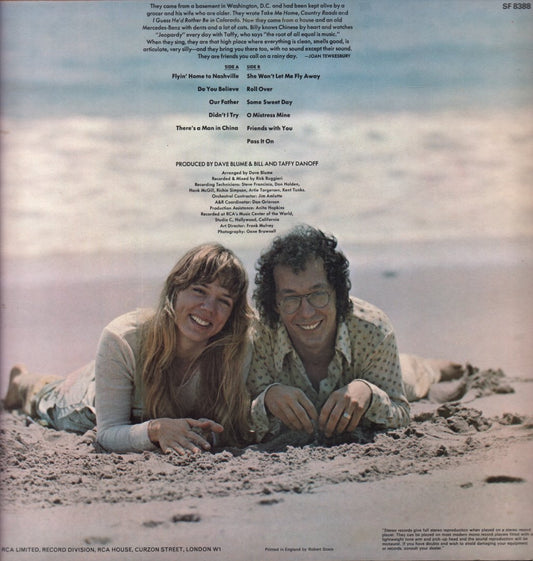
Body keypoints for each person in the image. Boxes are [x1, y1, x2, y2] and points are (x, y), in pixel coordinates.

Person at [4, 243, 253, 454]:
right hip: (86, 403)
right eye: (199, 291)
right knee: (46, 398)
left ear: (232, 313)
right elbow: (107, 434)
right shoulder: (123, 337)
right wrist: (156, 430)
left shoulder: (236, 350)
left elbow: (232, 426)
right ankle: (21, 382)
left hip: (121, 375)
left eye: (223, 301)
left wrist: (210, 433)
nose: (208, 308)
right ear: (175, 289)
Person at [247, 225, 465, 442]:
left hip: (378, 369)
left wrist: (369, 393)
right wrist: (266, 399)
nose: (307, 312)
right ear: (274, 303)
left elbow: (401, 412)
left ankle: (430, 368)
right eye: (291, 298)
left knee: (412, 376)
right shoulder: (258, 337)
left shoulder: (373, 330)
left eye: (318, 294)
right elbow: (240, 415)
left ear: (338, 293)